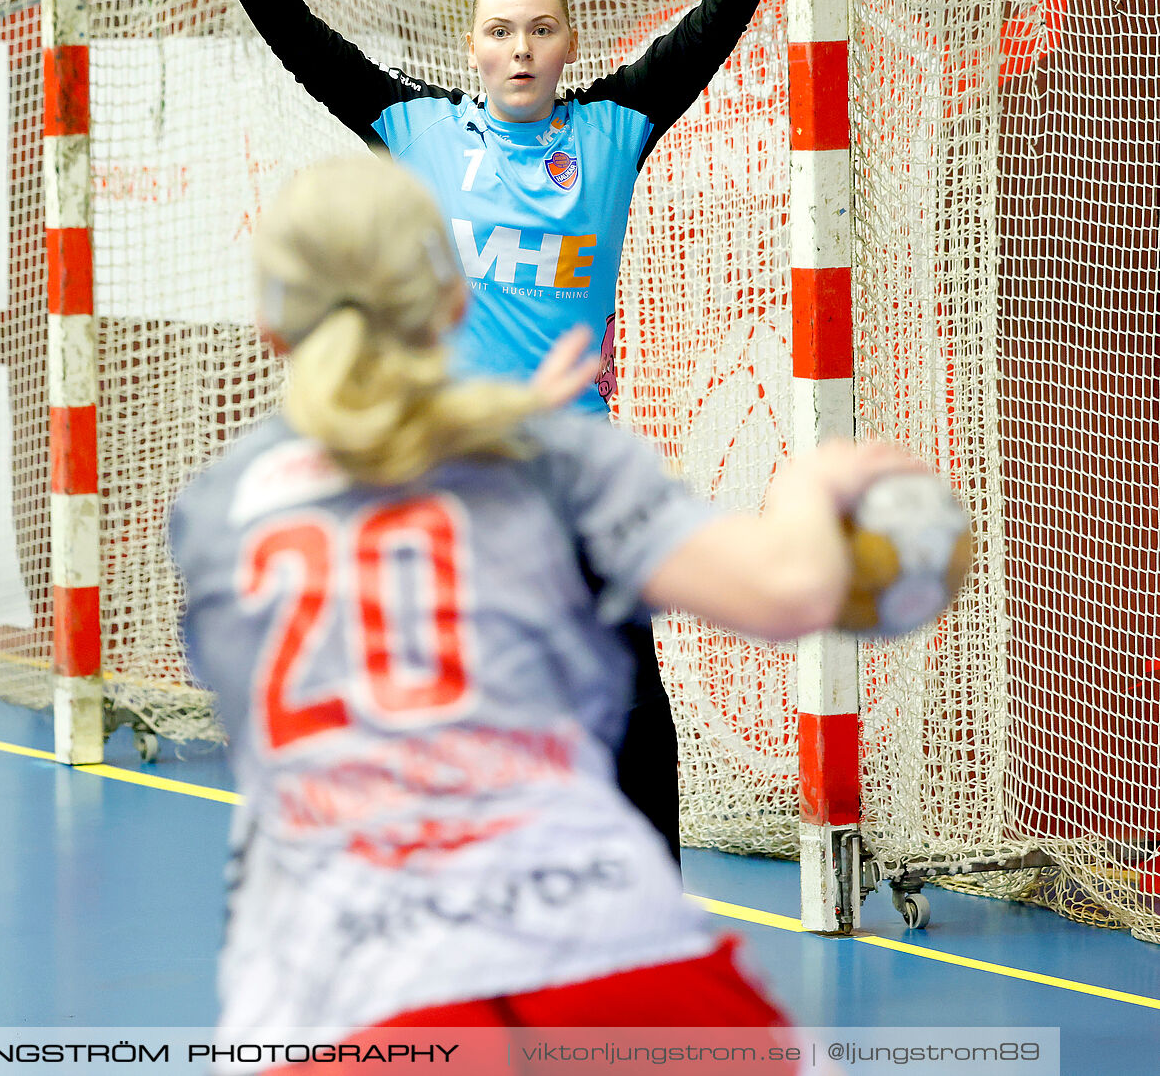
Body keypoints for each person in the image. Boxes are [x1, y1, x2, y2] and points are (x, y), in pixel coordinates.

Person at [149, 0, 809, 866]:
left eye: (539, 29)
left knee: (632, 702)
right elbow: (304, 41)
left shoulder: (613, 129)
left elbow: (712, 26)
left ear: (564, 46)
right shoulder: (414, 131)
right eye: (499, 29)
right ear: (472, 49)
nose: (518, 47)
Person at [168, 157, 928, 1056]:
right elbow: (797, 588)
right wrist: (813, 483)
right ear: (453, 301)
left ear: (267, 324)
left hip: (348, 989)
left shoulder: (216, 512)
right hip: (602, 944)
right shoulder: (556, 459)